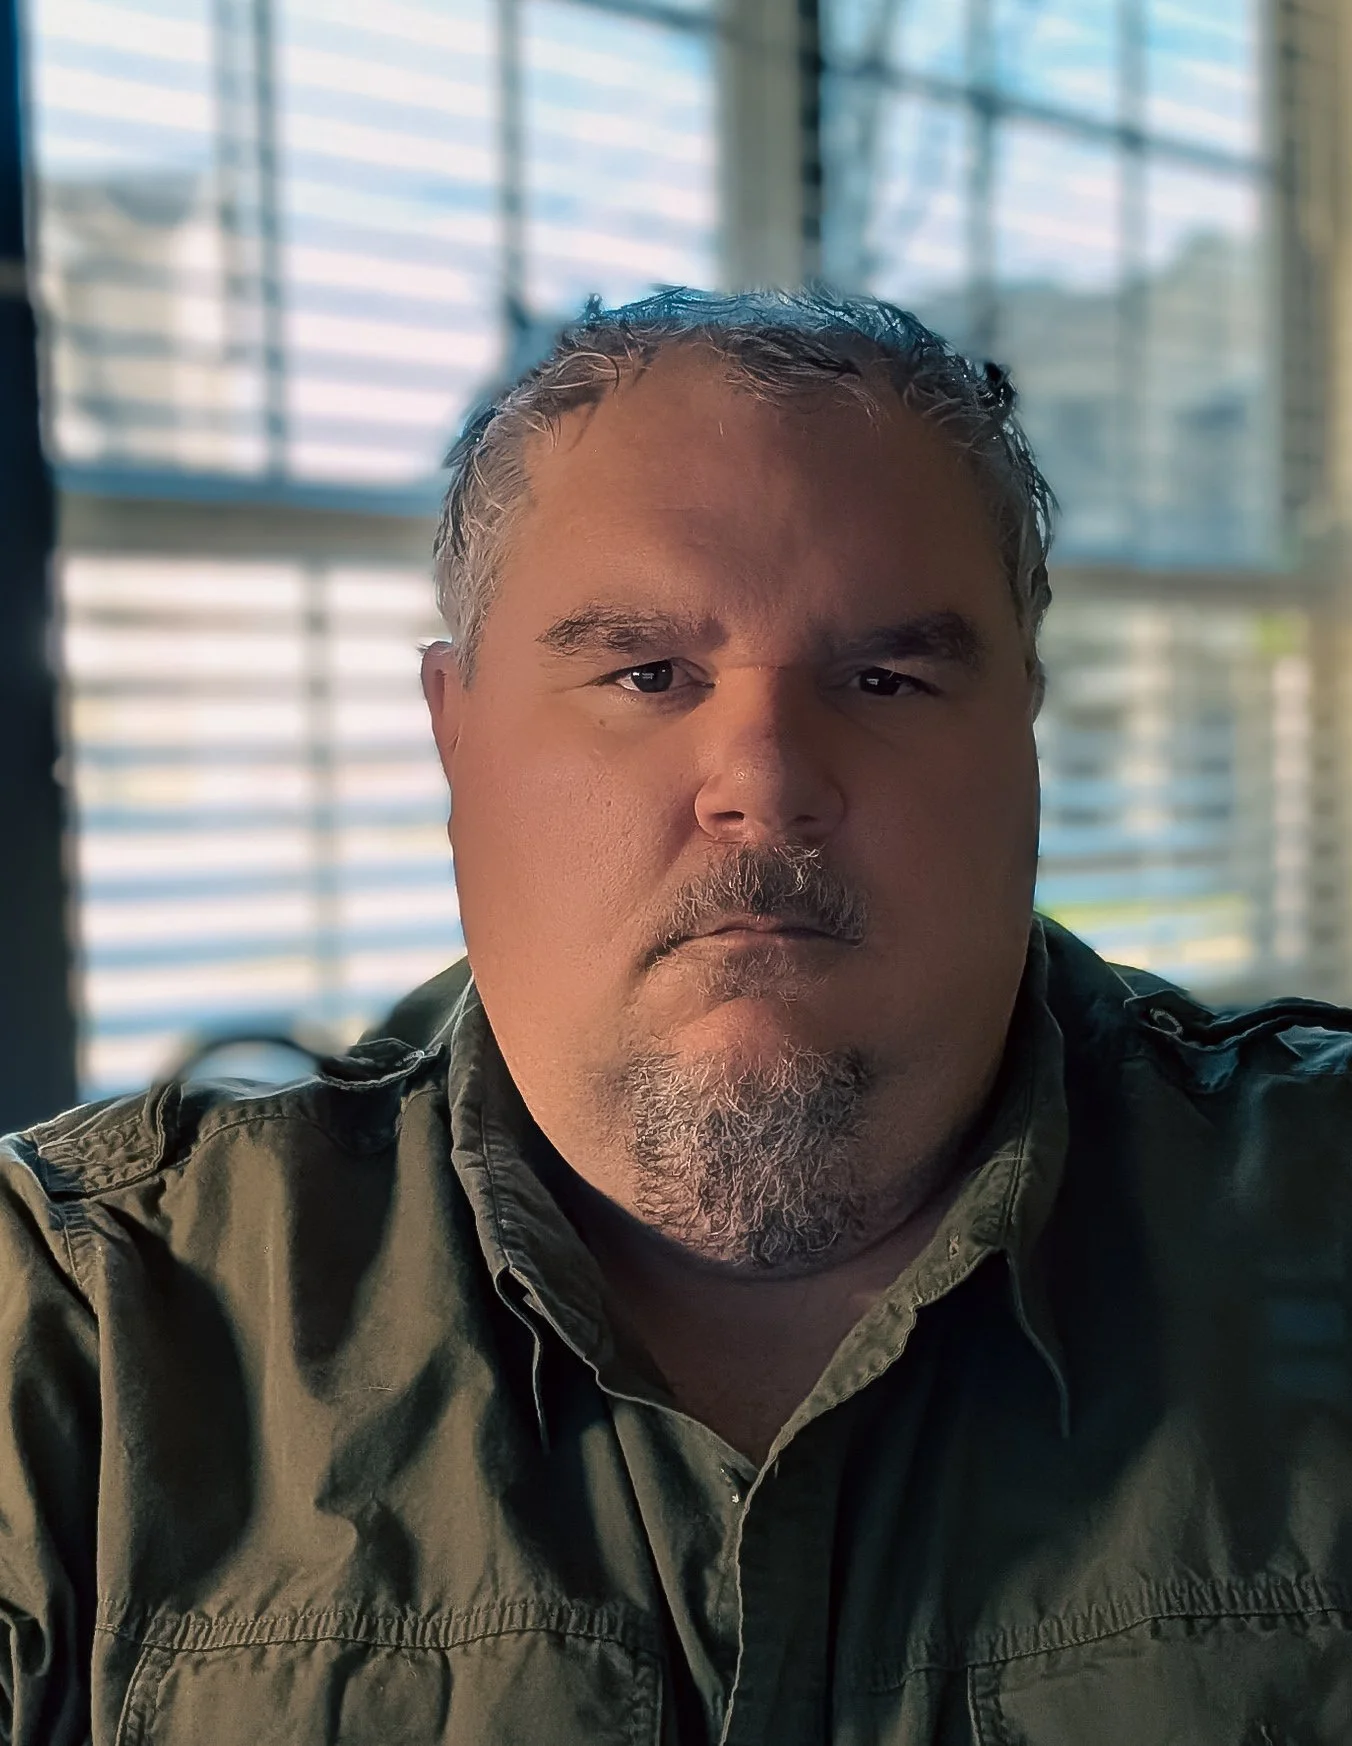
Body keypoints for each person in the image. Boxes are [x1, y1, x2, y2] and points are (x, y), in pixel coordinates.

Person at [3, 288, 1351, 1745]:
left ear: (1020, 727)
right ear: (457, 737)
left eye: (886, 676)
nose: (764, 778)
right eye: (647, 673)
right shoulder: (81, 1326)